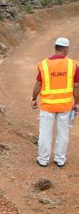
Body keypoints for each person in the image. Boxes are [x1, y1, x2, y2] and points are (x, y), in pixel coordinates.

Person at [31, 37, 78, 167]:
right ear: (65, 49)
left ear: (56, 47)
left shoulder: (44, 64)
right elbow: (76, 86)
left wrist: (34, 98)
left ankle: (43, 159)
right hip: (65, 106)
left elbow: (39, 83)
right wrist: (77, 103)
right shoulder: (72, 64)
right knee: (63, 133)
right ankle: (60, 159)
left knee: (45, 133)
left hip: (47, 106)